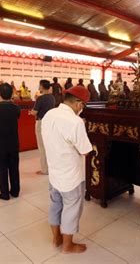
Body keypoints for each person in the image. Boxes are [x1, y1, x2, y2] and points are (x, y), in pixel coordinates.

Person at [42, 86, 92, 254]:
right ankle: (68, 245)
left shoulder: (49, 114)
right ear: (78, 103)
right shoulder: (76, 122)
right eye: (83, 105)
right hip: (71, 177)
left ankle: (56, 238)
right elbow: (85, 150)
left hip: (54, 173)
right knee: (71, 208)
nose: (82, 109)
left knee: (55, 204)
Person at [30, 80, 55, 175]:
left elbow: (34, 112)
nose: (38, 87)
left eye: (39, 86)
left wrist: (31, 112)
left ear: (42, 87)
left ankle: (45, 169)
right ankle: (50, 168)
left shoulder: (40, 98)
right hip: (50, 123)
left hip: (41, 122)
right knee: (49, 146)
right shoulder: (52, 98)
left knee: (41, 146)